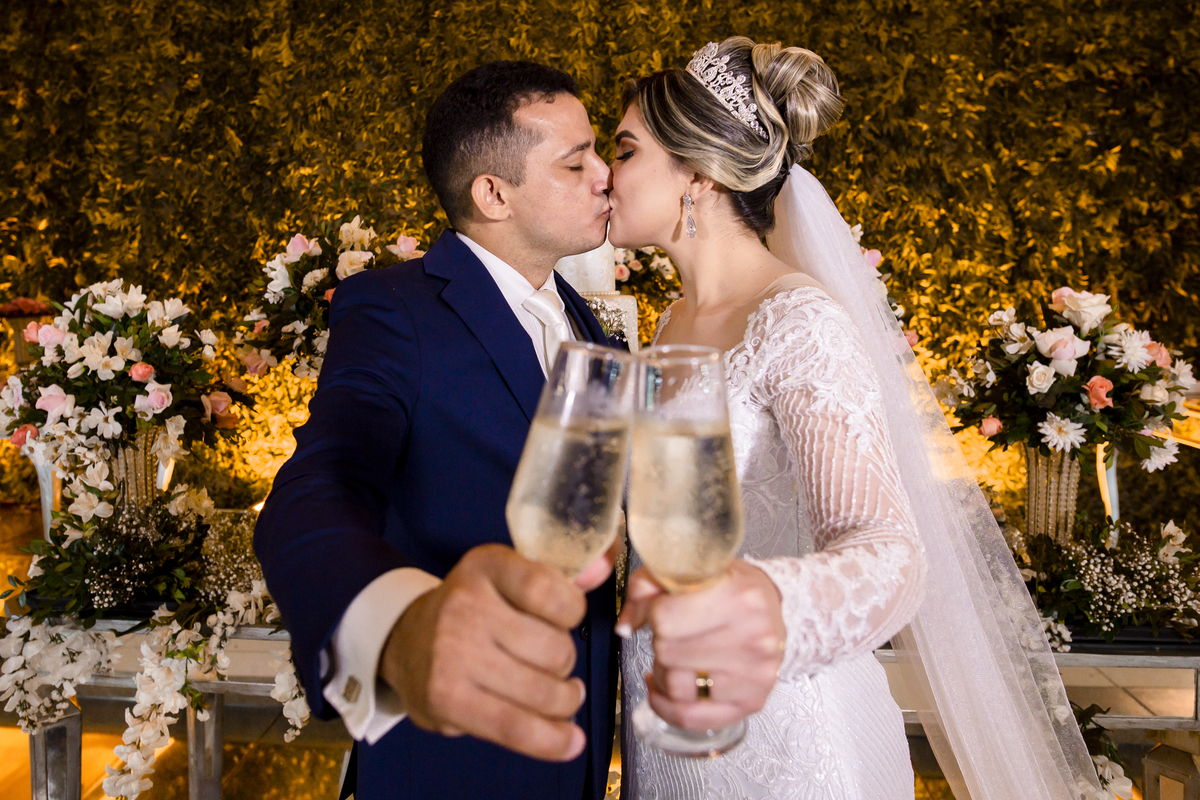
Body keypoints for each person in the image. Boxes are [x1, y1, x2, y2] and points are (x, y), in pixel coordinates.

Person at [608, 37, 1104, 799]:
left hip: (787, 739)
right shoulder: (671, 321)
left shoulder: (798, 322)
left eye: (624, 150)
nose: (605, 173)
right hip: (667, 731)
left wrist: (759, 608)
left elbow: (890, 556)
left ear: (698, 175)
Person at [254, 61, 621, 800]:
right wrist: (395, 626)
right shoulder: (394, 309)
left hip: (581, 747)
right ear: (493, 194)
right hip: (452, 760)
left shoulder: (590, 327)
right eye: (575, 161)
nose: (605, 175)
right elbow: (319, 486)